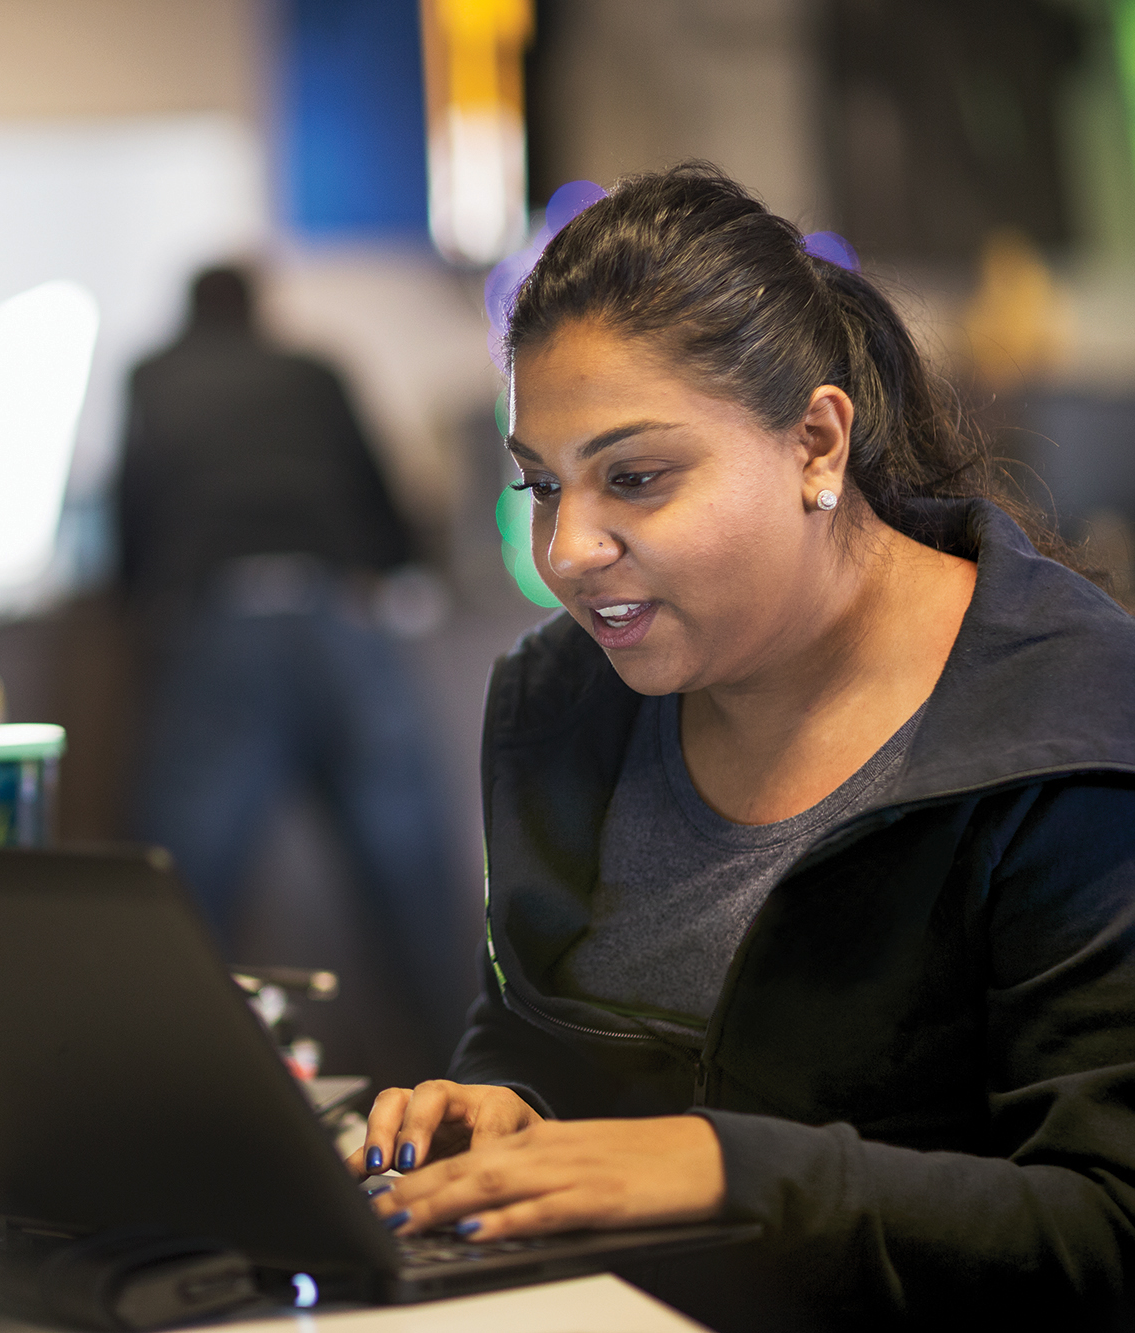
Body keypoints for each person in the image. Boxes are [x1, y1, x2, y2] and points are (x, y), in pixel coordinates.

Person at [350, 165, 1135, 1329]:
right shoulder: (558, 699)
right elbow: (528, 1027)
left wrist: (730, 1168)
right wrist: (500, 1104)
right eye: (541, 486)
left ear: (814, 443)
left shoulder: (1070, 726)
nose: (565, 550)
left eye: (633, 478)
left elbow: (1104, 1233)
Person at [115, 266, 469, 1069]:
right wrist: (400, 567)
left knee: (178, 890)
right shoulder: (313, 370)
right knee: (412, 878)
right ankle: (474, 1081)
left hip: (222, 622)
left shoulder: (155, 377)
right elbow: (380, 494)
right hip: (336, 614)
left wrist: (139, 600)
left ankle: (170, 1083)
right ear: (259, 311)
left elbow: (132, 504)